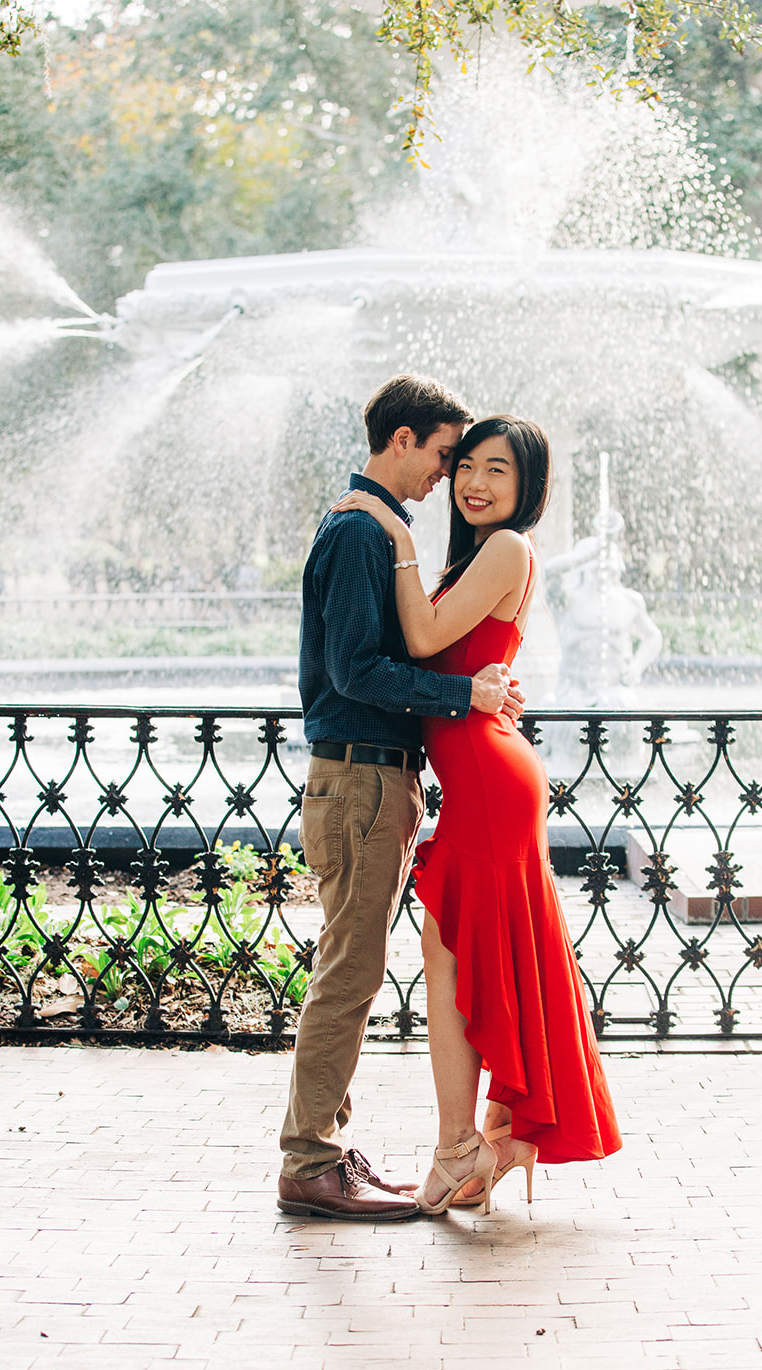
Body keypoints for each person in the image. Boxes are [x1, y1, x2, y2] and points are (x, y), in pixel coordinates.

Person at [331, 416, 621, 1215]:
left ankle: (466, 1144)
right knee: (470, 959)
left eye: (498, 470)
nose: (474, 482)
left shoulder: (506, 548)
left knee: (455, 955)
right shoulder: (478, 556)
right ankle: (494, 1135)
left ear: (527, 489)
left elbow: (421, 635)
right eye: (465, 466)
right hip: (485, 776)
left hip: (489, 783)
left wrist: (393, 536)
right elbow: (438, 651)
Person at [277, 376, 525, 1223]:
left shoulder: (374, 526)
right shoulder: (357, 530)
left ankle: (323, 1147)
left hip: (375, 776)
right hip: (357, 776)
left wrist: (470, 691)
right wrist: (465, 700)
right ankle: (308, 1159)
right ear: (404, 440)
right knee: (349, 971)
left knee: (352, 965)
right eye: (446, 455)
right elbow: (355, 670)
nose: (448, 476)